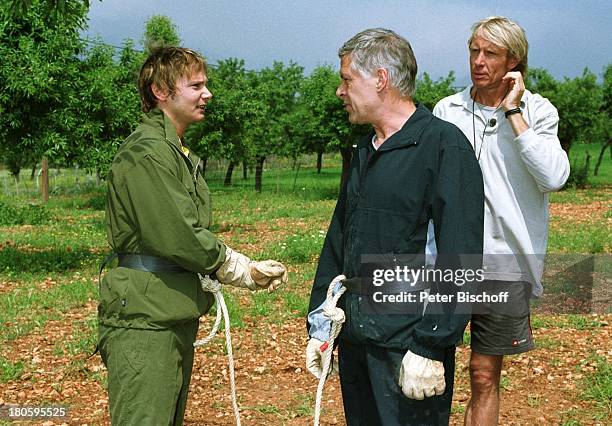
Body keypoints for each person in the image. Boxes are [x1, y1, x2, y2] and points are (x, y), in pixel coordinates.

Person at [97, 47, 288, 425]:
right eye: (196, 85)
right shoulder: (149, 153)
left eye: (206, 84)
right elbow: (178, 234)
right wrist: (236, 268)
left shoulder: (173, 150)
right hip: (145, 317)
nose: (207, 93)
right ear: (160, 91)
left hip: (167, 308)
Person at [305, 28, 485, 425]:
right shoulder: (364, 151)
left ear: (381, 79)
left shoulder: (443, 147)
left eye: (347, 79)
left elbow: (461, 253)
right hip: (357, 339)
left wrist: (432, 346)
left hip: (409, 346)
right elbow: (338, 242)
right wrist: (320, 323)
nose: (340, 90)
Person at [433, 16, 570, 425]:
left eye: (490, 53)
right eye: (474, 50)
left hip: (504, 264)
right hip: (449, 261)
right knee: (431, 364)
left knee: (484, 372)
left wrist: (514, 112)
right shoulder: (447, 110)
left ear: (514, 60)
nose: (478, 61)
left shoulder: (538, 111)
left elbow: (554, 177)